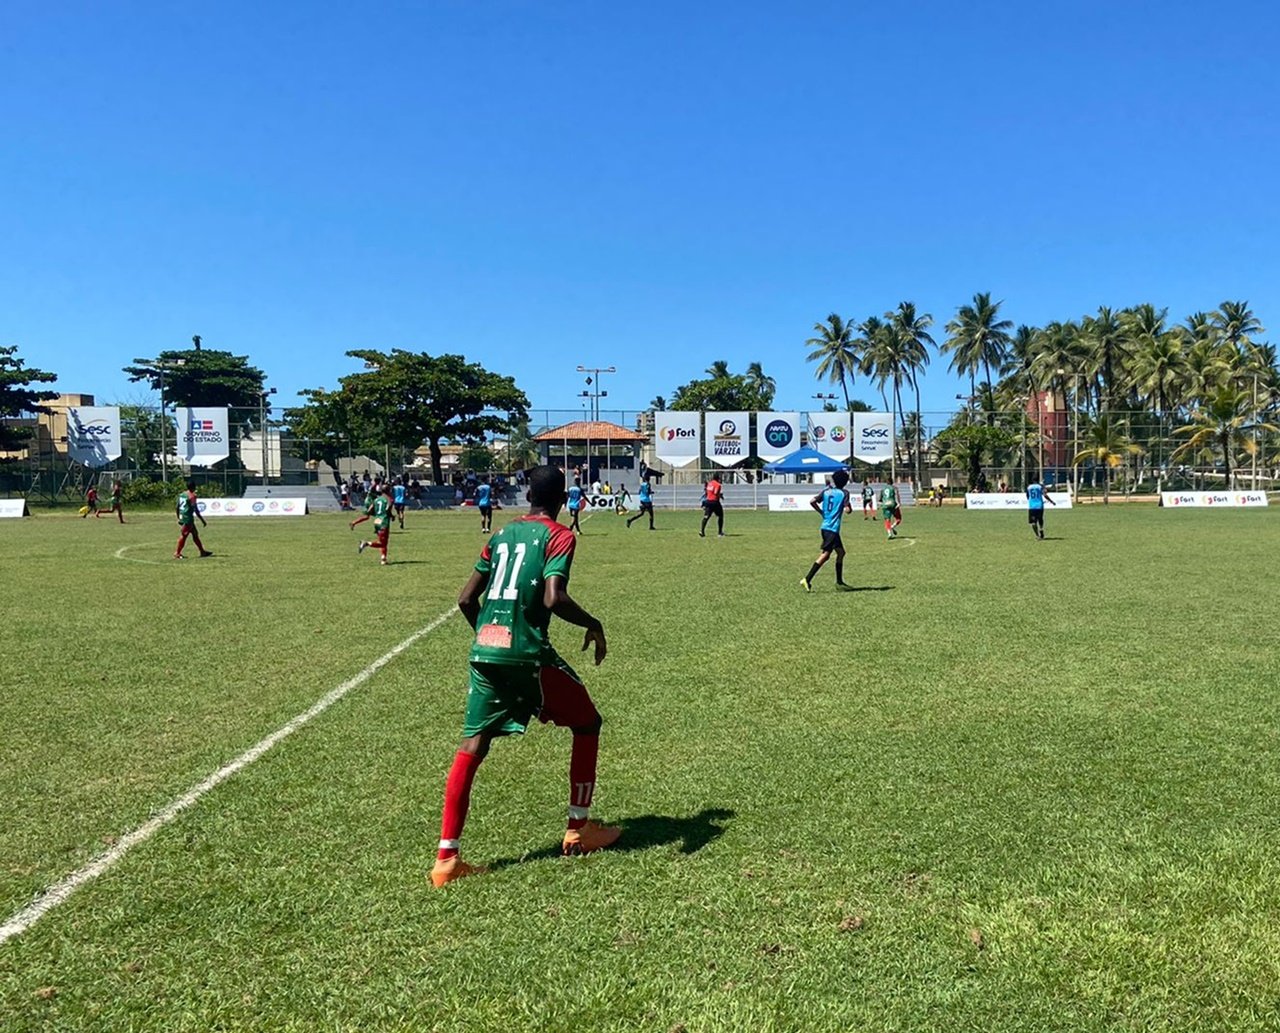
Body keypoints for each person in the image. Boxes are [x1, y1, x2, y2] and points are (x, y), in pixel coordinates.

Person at [430, 466, 620, 887]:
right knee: (588, 723)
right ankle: (579, 828)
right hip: (528, 656)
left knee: (472, 744)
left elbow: (465, 599)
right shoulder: (558, 535)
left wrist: (489, 636)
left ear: (527, 494)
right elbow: (554, 597)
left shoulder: (500, 535)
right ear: (562, 497)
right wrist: (595, 623)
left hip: (484, 652)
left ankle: (446, 859)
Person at [802, 469, 853, 591]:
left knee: (841, 553)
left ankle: (839, 582)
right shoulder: (844, 493)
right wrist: (848, 507)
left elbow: (812, 501)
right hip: (832, 529)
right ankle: (807, 579)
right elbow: (848, 510)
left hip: (825, 526)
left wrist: (821, 512)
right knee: (825, 555)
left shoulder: (827, 491)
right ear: (845, 482)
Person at [174, 479, 212, 559]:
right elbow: (195, 509)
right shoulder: (192, 496)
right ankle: (177, 553)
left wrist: (178, 517)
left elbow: (177, 507)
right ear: (194, 487)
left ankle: (202, 551)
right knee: (184, 535)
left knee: (195, 534)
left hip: (183, 516)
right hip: (188, 518)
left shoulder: (181, 495)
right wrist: (202, 520)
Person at [358, 484, 394, 565]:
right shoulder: (389, 499)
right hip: (384, 521)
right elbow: (388, 509)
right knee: (383, 543)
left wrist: (378, 514)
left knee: (382, 541)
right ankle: (366, 543)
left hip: (377, 521)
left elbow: (369, 511)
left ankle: (383, 559)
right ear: (389, 491)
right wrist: (391, 516)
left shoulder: (377, 499)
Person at [1026, 474, 1056, 540]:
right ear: (1038, 479)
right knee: (1040, 519)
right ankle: (1041, 529)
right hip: (1040, 505)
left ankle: (1037, 535)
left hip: (1032, 506)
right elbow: (1045, 495)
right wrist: (1051, 501)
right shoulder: (1040, 486)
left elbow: (1028, 497)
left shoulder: (1028, 487)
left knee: (1033, 522)